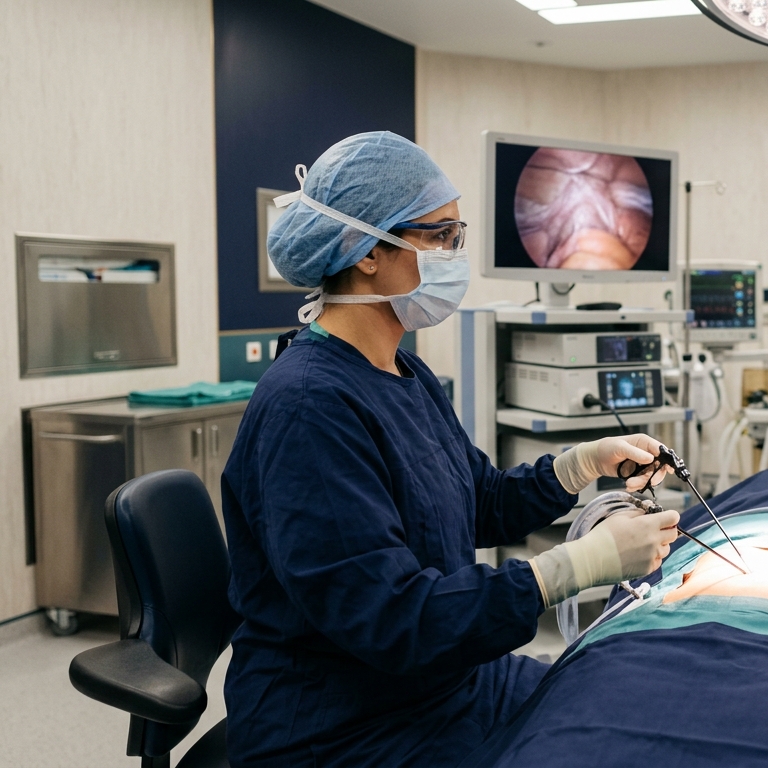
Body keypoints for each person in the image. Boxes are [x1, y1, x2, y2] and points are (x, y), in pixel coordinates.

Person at [220, 132, 680, 767]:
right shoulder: (309, 409)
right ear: (368, 252)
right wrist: (573, 568)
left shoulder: (403, 374)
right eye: (440, 237)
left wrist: (583, 463)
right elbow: (390, 617)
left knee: (607, 696)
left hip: (443, 681)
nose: (452, 254)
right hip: (343, 726)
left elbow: (479, 501)